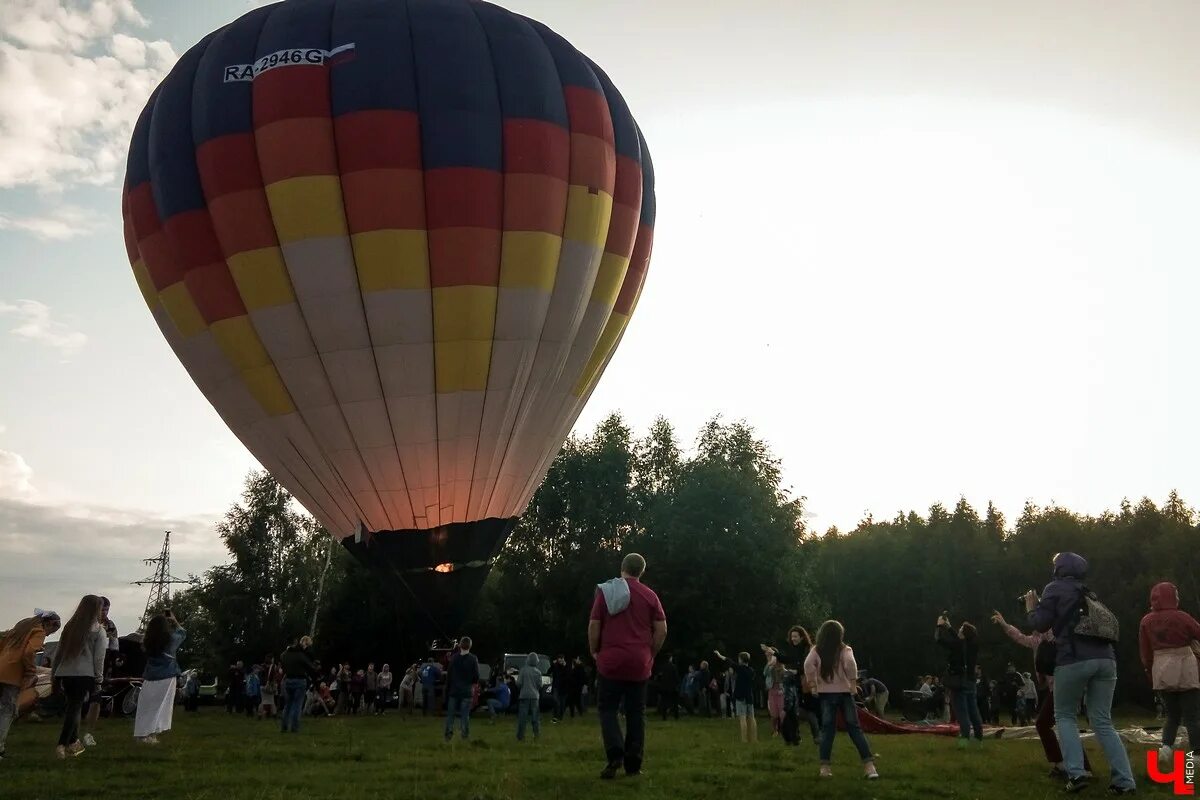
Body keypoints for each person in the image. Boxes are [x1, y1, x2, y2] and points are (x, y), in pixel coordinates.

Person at [1027, 551, 1135, 795]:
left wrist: (1031, 608)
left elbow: (1040, 624)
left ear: (1058, 569)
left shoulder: (1054, 588)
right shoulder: (1088, 593)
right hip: (1107, 660)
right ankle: (1125, 781)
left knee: (1064, 715)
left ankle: (1076, 774)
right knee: (1103, 721)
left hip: (1073, 659)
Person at [588, 552, 667, 780]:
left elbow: (594, 625)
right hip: (639, 663)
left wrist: (594, 650)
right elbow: (662, 630)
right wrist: (650, 652)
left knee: (607, 710)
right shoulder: (650, 596)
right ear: (641, 571)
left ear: (622, 567)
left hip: (610, 661)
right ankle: (633, 765)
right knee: (636, 713)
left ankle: (615, 755)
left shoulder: (606, 591)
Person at [804, 620, 878, 779]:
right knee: (855, 729)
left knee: (827, 731)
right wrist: (852, 683)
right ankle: (870, 767)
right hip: (845, 694)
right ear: (840, 635)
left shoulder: (816, 650)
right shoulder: (845, 649)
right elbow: (851, 664)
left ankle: (825, 768)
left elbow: (808, 664)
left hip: (826, 695)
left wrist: (813, 685)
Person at [1138, 581, 1200, 770]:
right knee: (1192, 715)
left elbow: (1145, 652)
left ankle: (1166, 748)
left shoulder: (1146, 621)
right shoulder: (1182, 617)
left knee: (1172, 715)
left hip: (1160, 666)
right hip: (1184, 664)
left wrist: (1149, 671)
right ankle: (1196, 755)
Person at [50, 595, 107, 759]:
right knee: (74, 708)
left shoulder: (69, 628)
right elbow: (99, 658)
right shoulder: (98, 630)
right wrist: (99, 679)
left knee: (73, 707)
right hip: (84, 674)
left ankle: (74, 742)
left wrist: (54, 673)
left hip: (65, 673)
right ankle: (62, 744)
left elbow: (59, 652)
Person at [0, 609, 61, 759]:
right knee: (8, 711)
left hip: (2, 667)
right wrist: (30, 672)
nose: (47, 636)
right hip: (12, 674)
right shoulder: (38, 631)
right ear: (49, 624)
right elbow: (28, 653)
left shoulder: (21, 629)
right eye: (51, 632)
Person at [133, 611, 186, 743]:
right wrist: (174, 621)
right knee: (161, 707)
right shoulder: (171, 640)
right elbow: (182, 633)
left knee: (146, 706)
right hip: (167, 676)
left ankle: (142, 733)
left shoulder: (147, 642)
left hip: (150, 677)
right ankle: (151, 733)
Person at [936, 615, 983, 747]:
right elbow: (960, 640)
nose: (959, 630)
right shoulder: (973, 645)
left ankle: (964, 741)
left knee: (962, 713)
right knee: (974, 711)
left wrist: (939, 626)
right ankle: (978, 741)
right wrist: (949, 627)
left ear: (963, 633)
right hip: (971, 682)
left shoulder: (957, 645)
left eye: (960, 629)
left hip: (959, 683)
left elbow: (939, 639)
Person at [713, 650, 758, 743]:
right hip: (749, 696)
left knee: (742, 718)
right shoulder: (752, 670)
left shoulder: (739, 668)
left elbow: (728, 660)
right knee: (751, 717)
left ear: (741, 660)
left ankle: (744, 739)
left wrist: (719, 655)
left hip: (740, 696)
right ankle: (754, 739)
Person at [279, 636, 319, 732]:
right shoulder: (300, 655)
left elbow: (282, 664)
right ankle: (294, 727)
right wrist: (315, 678)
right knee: (297, 705)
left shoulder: (284, 655)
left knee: (288, 704)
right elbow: (310, 667)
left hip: (288, 680)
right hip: (300, 680)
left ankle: (284, 726)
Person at [444, 637, 479, 741]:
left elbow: (449, 675)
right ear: (470, 646)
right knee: (465, 715)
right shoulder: (473, 659)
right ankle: (464, 735)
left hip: (454, 690)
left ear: (460, 645)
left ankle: (448, 734)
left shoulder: (454, 658)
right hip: (466, 691)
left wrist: (448, 689)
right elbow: (476, 676)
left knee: (450, 715)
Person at [517, 652, 543, 741]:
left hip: (524, 695)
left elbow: (519, 683)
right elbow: (540, 685)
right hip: (535, 697)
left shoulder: (523, 670)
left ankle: (520, 736)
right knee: (535, 717)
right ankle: (536, 735)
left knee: (522, 718)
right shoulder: (538, 672)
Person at [764, 649, 786, 735]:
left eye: (769, 655)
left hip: (781, 691)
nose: (768, 657)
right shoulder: (769, 667)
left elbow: (785, 677)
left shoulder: (781, 666)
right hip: (772, 691)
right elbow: (765, 673)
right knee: (774, 715)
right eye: (767, 656)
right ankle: (775, 730)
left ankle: (783, 731)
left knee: (782, 714)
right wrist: (769, 664)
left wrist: (783, 689)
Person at [656, 655, 680, 720]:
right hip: (672, 688)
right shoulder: (673, 667)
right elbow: (676, 677)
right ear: (670, 659)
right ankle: (676, 716)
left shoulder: (662, 667)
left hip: (664, 688)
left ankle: (664, 717)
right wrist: (677, 684)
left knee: (664, 702)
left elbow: (658, 677)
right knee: (675, 702)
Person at [549, 655, 568, 722]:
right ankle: (555, 717)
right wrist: (552, 664)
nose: (561, 660)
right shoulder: (555, 666)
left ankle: (560, 717)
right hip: (556, 687)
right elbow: (549, 671)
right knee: (556, 702)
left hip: (563, 688)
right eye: (559, 659)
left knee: (562, 704)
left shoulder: (566, 667)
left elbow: (568, 675)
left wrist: (565, 666)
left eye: (562, 659)